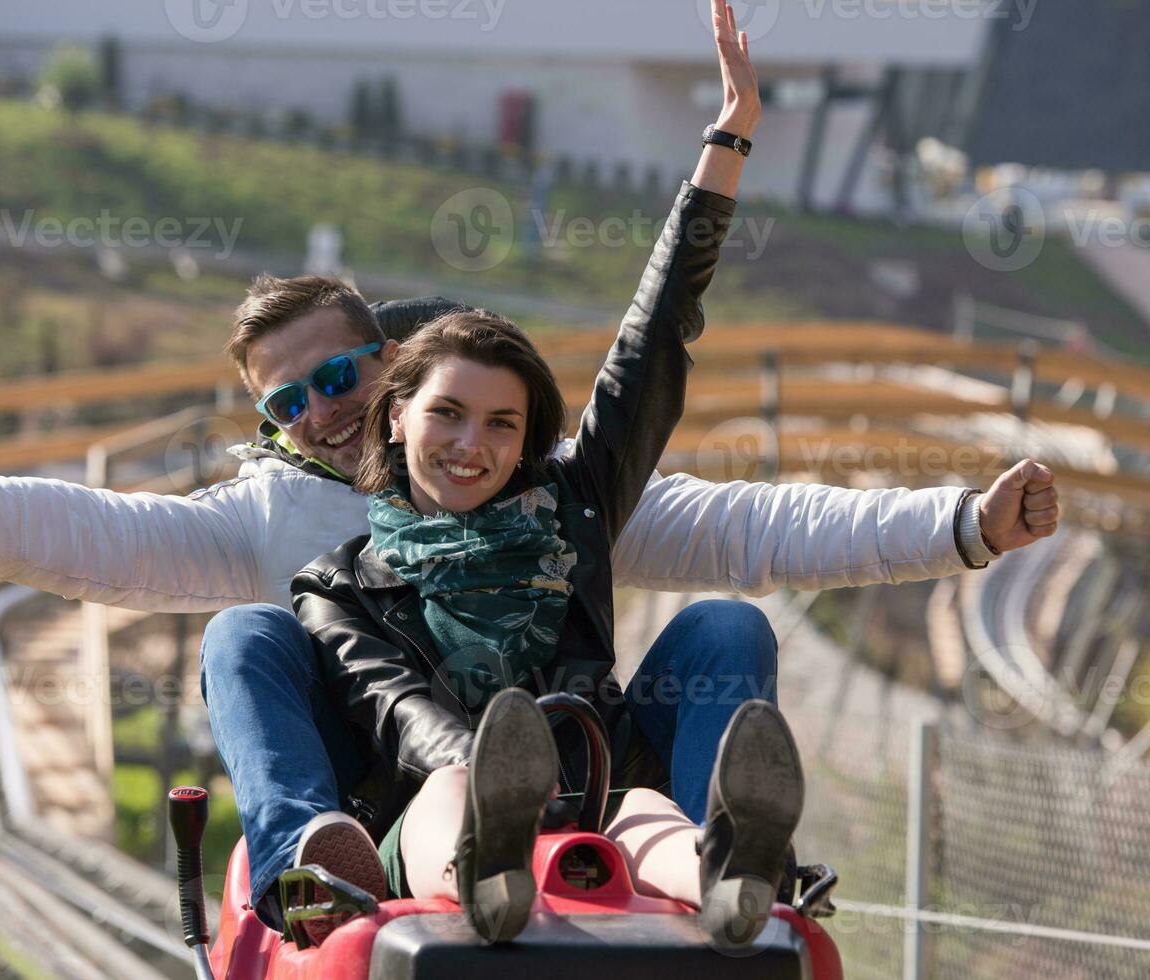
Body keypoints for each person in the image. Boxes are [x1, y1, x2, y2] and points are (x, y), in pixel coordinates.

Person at [287, 3, 1058, 947]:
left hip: (597, 787)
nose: (468, 445)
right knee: (454, 781)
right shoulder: (338, 583)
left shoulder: (567, 507)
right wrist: (499, 776)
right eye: (446, 413)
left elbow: (651, 345)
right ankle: (483, 876)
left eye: (500, 423)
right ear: (396, 412)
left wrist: (728, 138)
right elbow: (400, 714)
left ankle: (724, 875)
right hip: (438, 804)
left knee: (688, 717)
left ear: (527, 437)